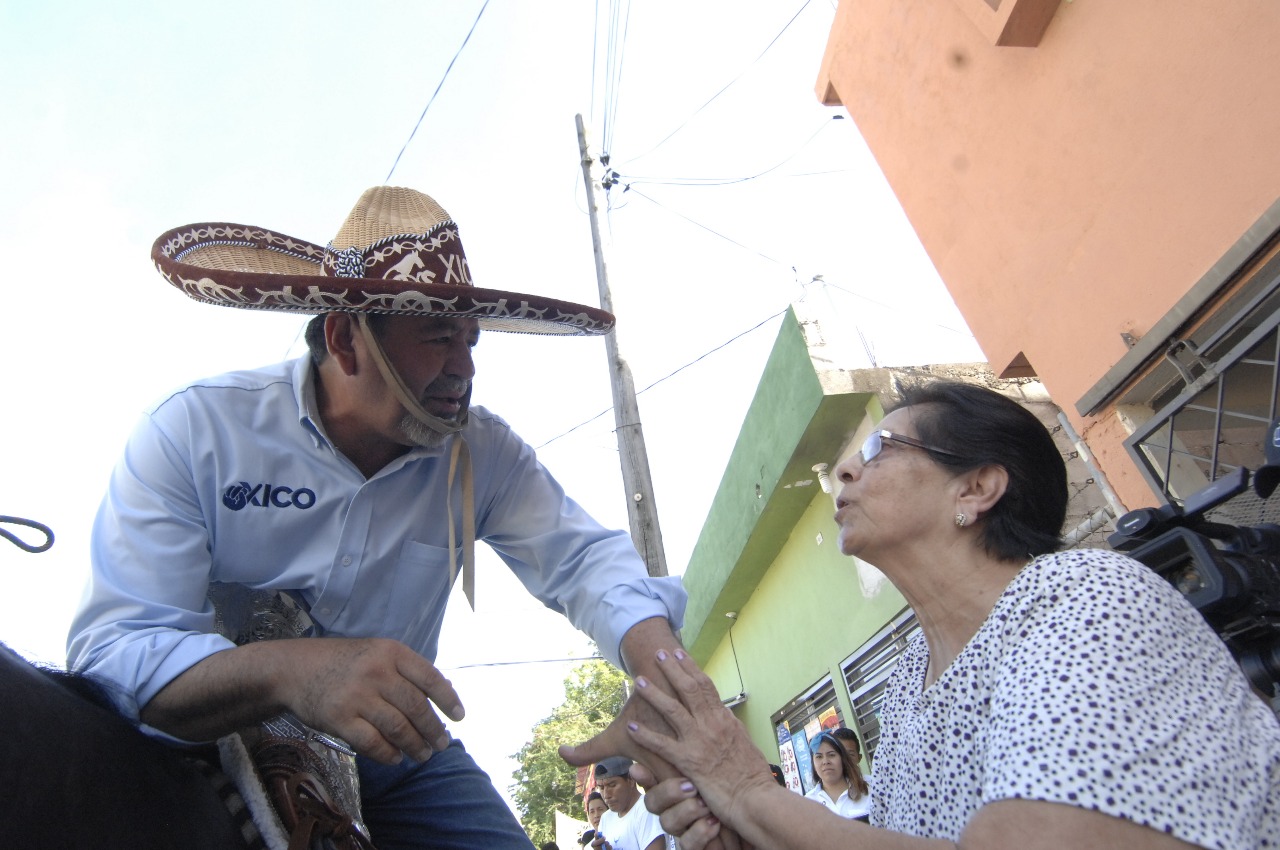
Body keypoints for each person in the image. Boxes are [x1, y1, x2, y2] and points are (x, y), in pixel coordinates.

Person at [66, 186, 689, 850]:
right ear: (345, 339)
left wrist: (667, 678)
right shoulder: (195, 432)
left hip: (394, 750)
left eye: (471, 339)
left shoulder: (482, 455)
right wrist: (294, 671)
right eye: (437, 336)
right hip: (213, 730)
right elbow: (116, 653)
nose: (465, 368)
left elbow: (582, 558)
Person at [623, 380, 1280, 849]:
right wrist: (755, 833)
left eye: (878, 448)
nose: (846, 469)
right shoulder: (906, 683)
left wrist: (748, 791)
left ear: (976, 487)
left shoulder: (1086, 597)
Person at [592, 757, 665, 850]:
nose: (606, 795)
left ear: (631, 780)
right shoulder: (606, 819)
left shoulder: (647, 810)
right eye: (601, 788)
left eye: (612, 785)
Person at [804, 730, 869, 822]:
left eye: (831, 755)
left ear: (843, 759)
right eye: (819, 757)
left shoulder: (869, 789)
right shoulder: (808, 803)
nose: (825, 761)